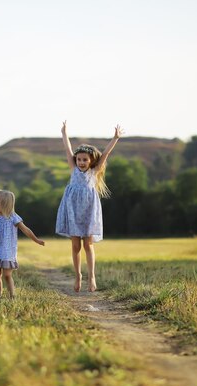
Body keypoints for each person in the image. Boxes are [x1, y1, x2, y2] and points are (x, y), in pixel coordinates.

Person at [55, 120, 123, 292]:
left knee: (88, 245)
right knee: (75, 245)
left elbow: (106, 153)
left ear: (91, 161)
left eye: (85, 159)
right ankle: (78, 275)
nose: (81, 162)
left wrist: (115, 138)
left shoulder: (95, 172)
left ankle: (92, 276)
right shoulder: (73, 169)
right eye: (79, 159)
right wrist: (64, 133)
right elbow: (67, 149)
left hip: (88, 211)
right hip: (72, 210)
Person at [0, 190, 45, 298]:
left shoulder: (13, 217)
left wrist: (36, 240)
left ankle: (12, 296)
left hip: (8, 251)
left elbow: (26, 229)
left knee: (7, 275)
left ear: (6, 203)